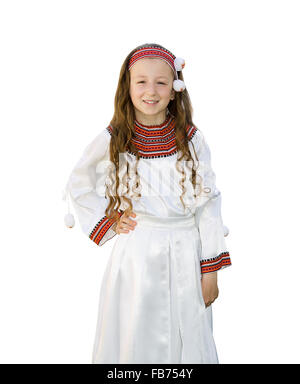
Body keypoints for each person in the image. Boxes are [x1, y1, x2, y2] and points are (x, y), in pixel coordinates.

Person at [63, 43, 232, 364]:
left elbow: (208, 205)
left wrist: (211, 271)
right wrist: (109, 221)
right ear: (127, 88)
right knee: (135, 333)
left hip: (186, 250)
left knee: (187, 335)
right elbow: (79, 182)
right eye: (141, 81)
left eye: (161, 82)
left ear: (174, 90)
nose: (151, 91)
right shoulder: (115, 137)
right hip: (136, 256)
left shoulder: (191, 139)